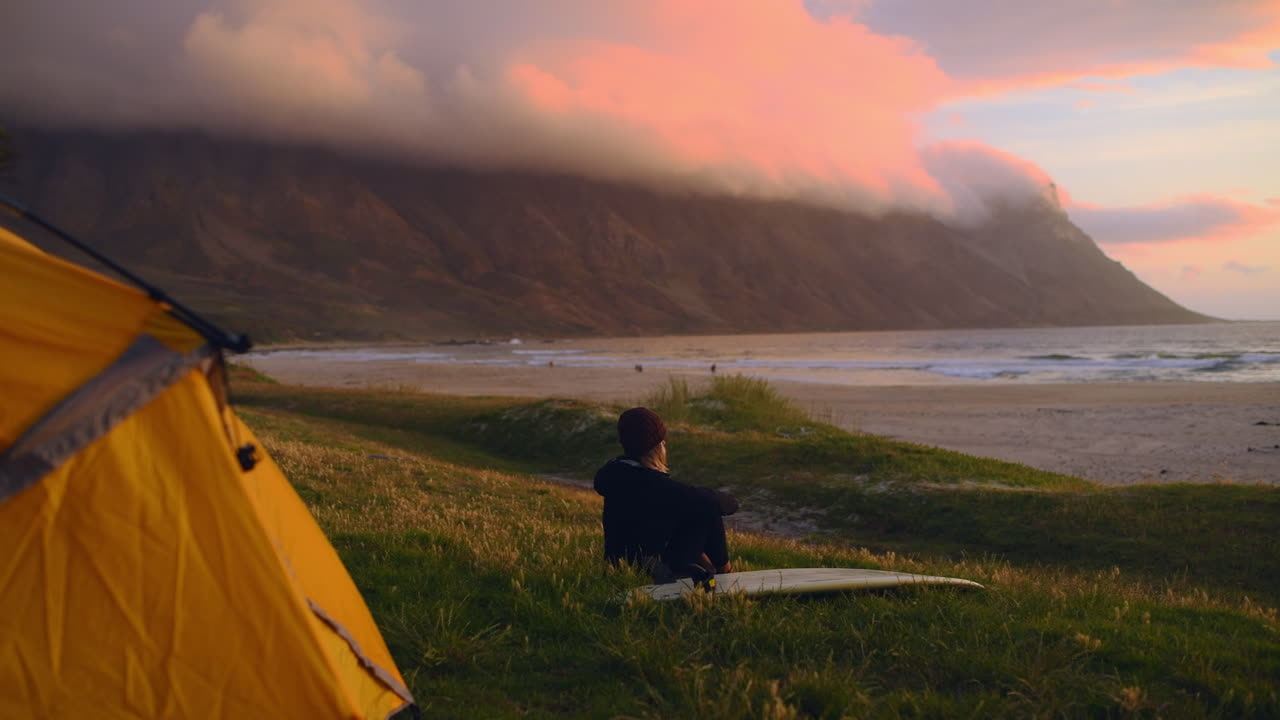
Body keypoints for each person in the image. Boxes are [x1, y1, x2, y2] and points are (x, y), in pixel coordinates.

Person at [593, 407, 739, 582]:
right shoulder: (654, 484)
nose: (665, 443)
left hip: (621, 562)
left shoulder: (616, 472)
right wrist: (724, 499)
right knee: (707, 509)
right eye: (661, 440)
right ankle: (726, 574)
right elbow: (720, 504)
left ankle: (715, 571)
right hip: (652, 568)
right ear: (654, 447)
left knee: (697, 508)